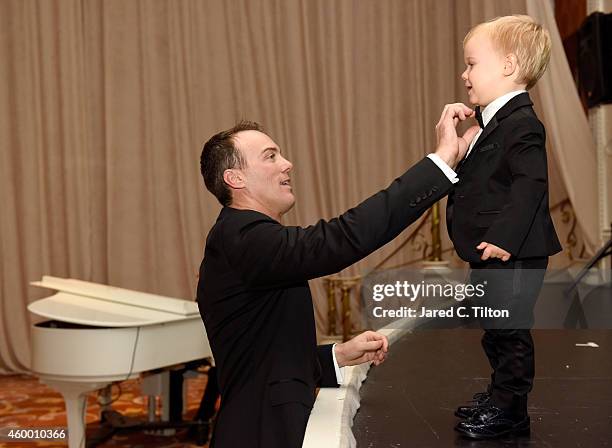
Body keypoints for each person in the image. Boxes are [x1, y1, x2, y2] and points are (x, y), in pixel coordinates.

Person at [196, 104, 478, 447]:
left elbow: (264, 360)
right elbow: (343, 238)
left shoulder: (243, 237)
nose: (287, 164)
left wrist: (338, 355)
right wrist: (440, 162)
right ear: (235, 179)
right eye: (270, 157)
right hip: (260, 433)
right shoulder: (244, 236)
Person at [447, 15, 562, 439]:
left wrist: (503, 237)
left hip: (513, 251)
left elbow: (531, 184)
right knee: (493, 328)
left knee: (509, 330)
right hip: (490, 252)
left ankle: (511, 409)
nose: (464, 74)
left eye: (472, 64)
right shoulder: (490, 122)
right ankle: (499, 394)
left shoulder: (522, 123)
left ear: (509, 66)